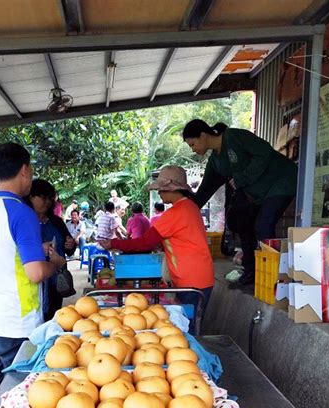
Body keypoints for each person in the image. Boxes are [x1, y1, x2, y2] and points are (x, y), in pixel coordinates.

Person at [0, 143, 66, 398]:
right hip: (17, 322)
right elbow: (34, 272)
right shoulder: (22, 213)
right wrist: (55, 263)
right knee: (20, 393)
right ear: (24, 170)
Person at [183, 119, 298, 288]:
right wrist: (185, 207)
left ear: (203, 135)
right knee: (245, 227)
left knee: (263, 226)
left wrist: (242, 178)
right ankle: (251, 274)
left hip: (282, 181)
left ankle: (273, 279)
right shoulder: (215, 161)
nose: (193, 149)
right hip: (261, 194)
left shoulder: (234, 136)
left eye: (193, 144)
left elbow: (264, 152)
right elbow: (204, 191)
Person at [99, 166, 214, 333]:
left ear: (172, 189)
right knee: (193, 325)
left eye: (161, 189)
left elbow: (145, 243)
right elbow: (183, 239)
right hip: (202, 276)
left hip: (191, 280)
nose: (159, 192)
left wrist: (114, 244)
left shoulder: (175, 213)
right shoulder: (191, 207)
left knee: (187, 331)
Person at [26, 178, 76, 321]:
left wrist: (70, 245)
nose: (47, 202)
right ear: (30, 197)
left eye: (49, 198)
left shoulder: (56, 222)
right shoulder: (25, 222)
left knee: (55, 318)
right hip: (34, 281)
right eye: (42, 197)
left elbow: (69, 250)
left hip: (56, 281)